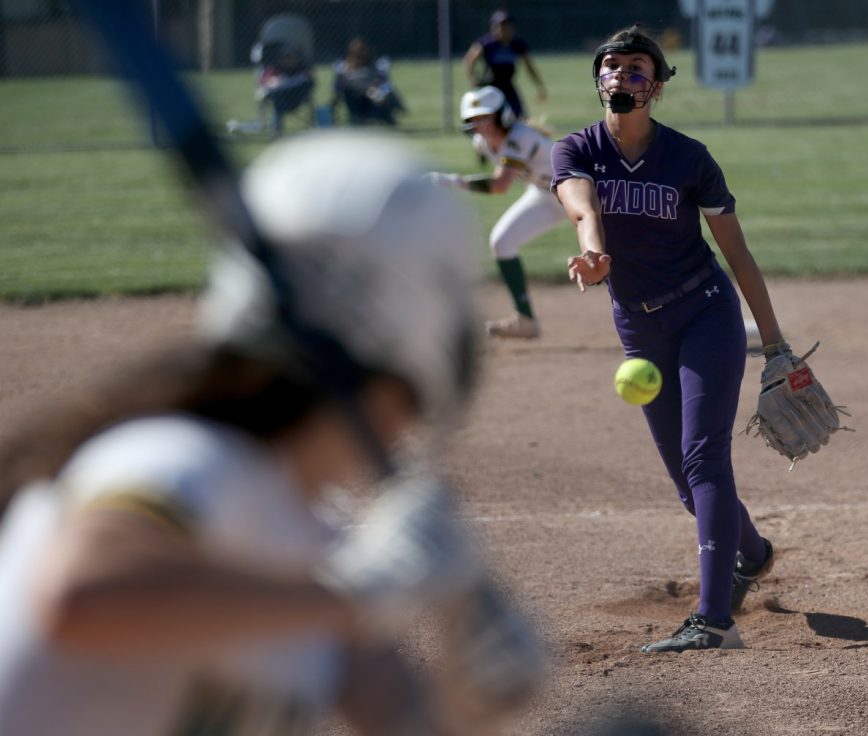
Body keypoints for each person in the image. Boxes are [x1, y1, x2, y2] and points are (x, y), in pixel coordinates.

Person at [0, 132, 544, 734]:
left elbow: (402, 720)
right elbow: (85, 595)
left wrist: (471, 696)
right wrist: (356, 594)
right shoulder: (181, 459)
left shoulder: (313, 536)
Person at [550, 26, 780, 652]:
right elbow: (582, 208)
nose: (621, 76)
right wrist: (592, 254)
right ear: (598, 79)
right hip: (639, 324)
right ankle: (752, 553)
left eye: (635, 67)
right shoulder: (576, 149)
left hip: (704, 311)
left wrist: (778, 345)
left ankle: (713, 622)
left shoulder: (689, 158)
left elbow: (736, 252)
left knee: (705, 458)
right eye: (612, 66)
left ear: (656, 84)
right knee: (686, 479)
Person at [427, 86, 565, 339]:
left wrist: (449, 181)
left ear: (502, 114)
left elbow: (499, 185)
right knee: (502, 242)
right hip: (545, 195)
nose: (482, 124)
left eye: (487, 116)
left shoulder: (519, 137)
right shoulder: (482, 143)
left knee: (619, 251)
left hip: (586, 194)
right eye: (474, 119)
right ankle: (525, 320)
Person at [463, 9, 546, 121]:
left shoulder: (516, 43)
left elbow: (529, 66)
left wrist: (539, 86)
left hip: (508, 85)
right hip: (491, 87)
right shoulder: (487, 43)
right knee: (493, 119)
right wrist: (474, 79)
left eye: (506, 26)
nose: (502, 29)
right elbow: (470, 59)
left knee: (520, 117)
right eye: (499, 26)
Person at [332, 37, 406, 126]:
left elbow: (384, 82)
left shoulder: (376, 66)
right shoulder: (344, 68)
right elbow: (339, 86)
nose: (361, 55)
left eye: (363, 51)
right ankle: (359, 117)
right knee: (368, 92)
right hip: (355, 98)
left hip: (373, 98)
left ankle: (385, 115)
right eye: (358, 53)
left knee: (379, 92)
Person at [256, 41, 315, 134]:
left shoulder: (301, 69)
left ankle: (276, 128)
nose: (288, 60)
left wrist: (290, 82)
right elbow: (264, 82)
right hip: (278, 98)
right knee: (272, 96)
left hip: (296, 98)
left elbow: (310, 81)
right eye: (285, 57)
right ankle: (276, 127)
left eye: (291, 57)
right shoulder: (275, 69)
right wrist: (274, 81)